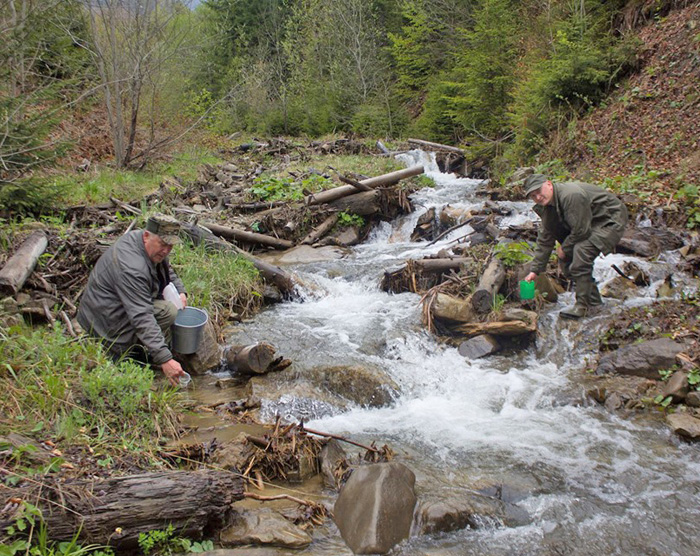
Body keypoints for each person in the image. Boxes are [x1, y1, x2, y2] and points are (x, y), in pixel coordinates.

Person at [77, 214, 188, 385]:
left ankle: (147, 349)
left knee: (166, 309)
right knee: (168, 311)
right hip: (103, 323)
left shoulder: (146, 244)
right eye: (163, 244)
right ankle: (128, 355)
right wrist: (165, 359)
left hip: (111, 308)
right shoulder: (132, 267)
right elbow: (141, 316)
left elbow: (166, 267)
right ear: (146, 236)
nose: (166, 250)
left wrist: (180, 291)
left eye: (171, 246)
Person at [522, 174, 628, 319]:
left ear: (549, 184)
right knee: (566, 264)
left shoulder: (570, 195)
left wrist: (564, 248)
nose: (538, 197)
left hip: (608, 220)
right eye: (533, 196)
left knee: (581, 252)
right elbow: (545, 240)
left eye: (539, 191)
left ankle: (582, 306)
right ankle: (595, 303)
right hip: (589, 223)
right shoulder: (548, 208)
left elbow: (581, 231)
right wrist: (535, 271)